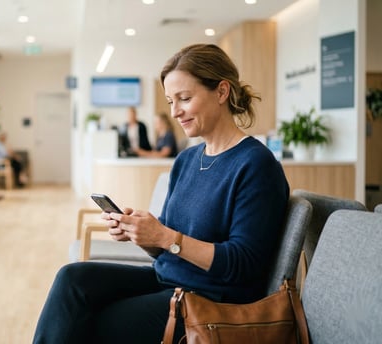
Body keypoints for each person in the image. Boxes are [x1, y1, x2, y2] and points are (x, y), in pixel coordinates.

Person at [33, 43, 289, 343]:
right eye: (170, 101)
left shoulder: (256, 165)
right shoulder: (187, 160)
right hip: (168, 279)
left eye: (184, 98)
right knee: (72, 279)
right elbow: (167, 244)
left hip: (211, 300)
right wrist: (141, 233)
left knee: (90, 321)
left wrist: (165, 237)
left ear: (222, 92)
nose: (175, 111)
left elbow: (243, 265)